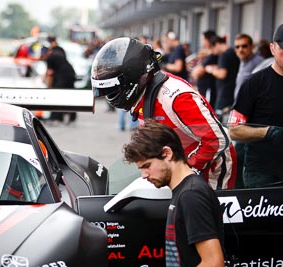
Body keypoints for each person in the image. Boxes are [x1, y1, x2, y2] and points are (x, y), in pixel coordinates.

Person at [91, 37, 236, 189]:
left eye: (113, 91)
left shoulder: (176, 97)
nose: (110, 97)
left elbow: (216, 140)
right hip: (181, 164)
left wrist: (184, 170)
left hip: (213, 169)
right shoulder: (144, 94)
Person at [122, 119, 225, 266]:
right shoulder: (184, 192)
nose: (143, 175)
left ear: (167, 153)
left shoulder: (191, 195)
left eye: (147, 166)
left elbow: (214, 262)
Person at [228, 24, 283, 188]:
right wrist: (268, 132)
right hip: (263, 173)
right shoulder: (254, 83)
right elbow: (234, 130)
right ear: (272, 49)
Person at [230, 33, 264, 189]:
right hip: (239, 118)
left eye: (244, 46)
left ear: (251, 47)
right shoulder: (242, 63)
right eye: (237, 47)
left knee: (239, 158)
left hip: (250, 124)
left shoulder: (259, 64)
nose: (241, 50)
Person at [205, 36, 240, 123]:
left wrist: (211, 70)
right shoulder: (233, 52)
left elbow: (222, 74)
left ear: (217, 44)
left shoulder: (224, 55)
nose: (213, 52)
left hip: (224, 93)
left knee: (220, 119)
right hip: (232, 91)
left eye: (212, 48)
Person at [45, 37, 77, 125]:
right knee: (70, 96)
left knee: (57, 96)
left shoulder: (50, 57)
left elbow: (50, 74)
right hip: (71, 74)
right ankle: (72, 118)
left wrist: (49, 87)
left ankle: (56, 118)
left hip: (63, 77)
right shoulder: (60, 51)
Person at [190, 30, 218, 109]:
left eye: (203, 39)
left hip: (208, 89)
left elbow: (197, 73)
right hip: (204, 89)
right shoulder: (206, 54)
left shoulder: (212, 56)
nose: (202, 42)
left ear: (208, 40)